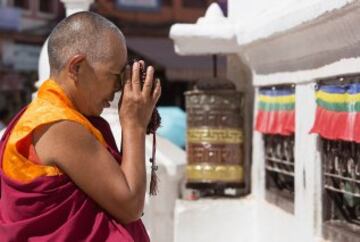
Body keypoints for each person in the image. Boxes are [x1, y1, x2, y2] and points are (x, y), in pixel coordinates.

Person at [0, 11, 161, 242]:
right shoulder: (58, 124)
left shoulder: (47, 116)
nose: (118, 88)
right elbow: (130, 205)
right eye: (114, 76)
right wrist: (134, 124)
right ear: (76, 67)